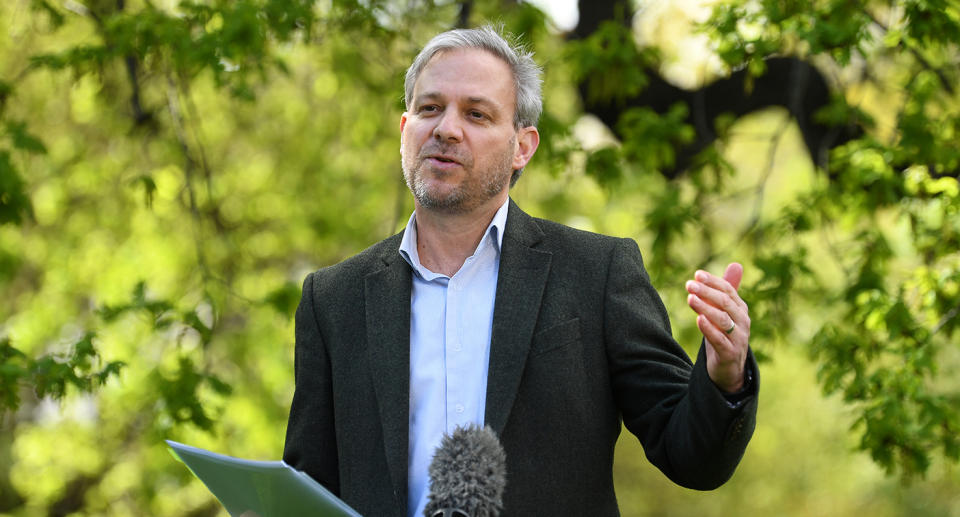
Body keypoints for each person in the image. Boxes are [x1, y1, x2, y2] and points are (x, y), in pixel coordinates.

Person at [283, 26, 758, 517]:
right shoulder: (332, 300)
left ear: (522, 147)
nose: (446, 128)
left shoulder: (597, 274)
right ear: (405, 128)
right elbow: (305, 490)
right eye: (429, 108)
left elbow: (691, 456)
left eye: (476, 113)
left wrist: (724, 378)